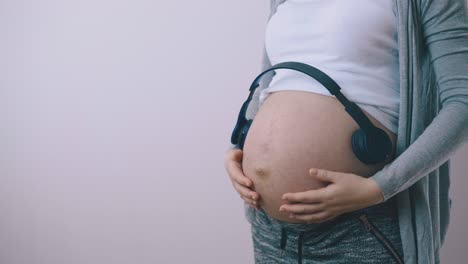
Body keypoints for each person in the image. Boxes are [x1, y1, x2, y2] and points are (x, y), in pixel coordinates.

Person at [224, 0, 468, 263]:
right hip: (271, 230)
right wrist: (237, 148)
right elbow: (268, 84)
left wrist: (379, 188)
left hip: (363, 224)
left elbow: (462, 101)